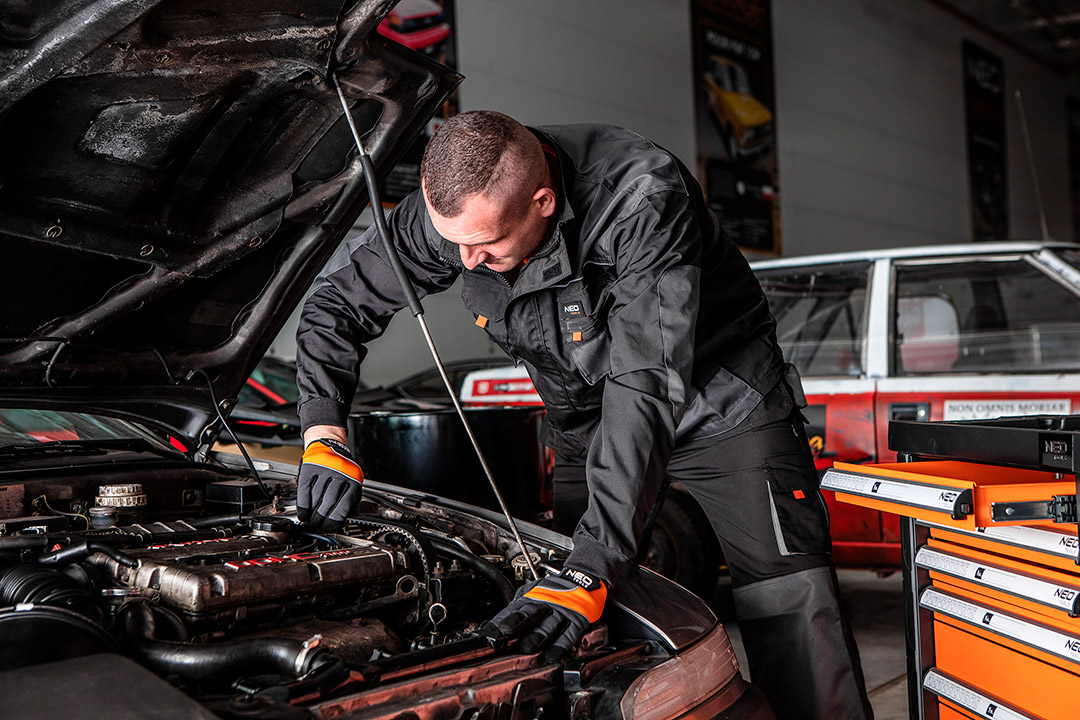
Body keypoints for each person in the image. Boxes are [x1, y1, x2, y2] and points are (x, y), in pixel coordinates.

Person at [294, 111, 873, 720]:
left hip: (723, 407)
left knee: (790, 607)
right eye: (453, 242)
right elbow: (334, 303)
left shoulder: (640, 197)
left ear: (542, 202)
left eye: (486, 244)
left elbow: (645, 382)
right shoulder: (458, 216)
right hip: (586, 422)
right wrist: (323, 430)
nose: (465, 260)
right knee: (574, 616)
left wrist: (594, 563)